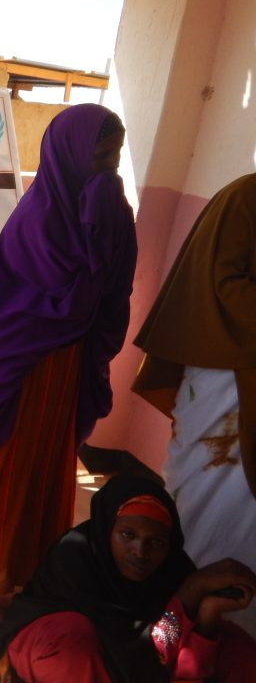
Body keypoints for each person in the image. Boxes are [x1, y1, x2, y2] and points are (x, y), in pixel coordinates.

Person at [0, 104, 138, 636]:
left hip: (63, 375)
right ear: (69, 156)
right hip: (18, 375)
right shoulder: (37, 222)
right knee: (0, 475)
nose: (108, 170)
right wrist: (101, 230)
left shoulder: (101, 214)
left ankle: (25, 577)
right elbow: (68, 302)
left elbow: (111, 291)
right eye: (100, 157)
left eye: (115, 158)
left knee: (42, 476)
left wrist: (109, 225)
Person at [0, 474, 256, 682]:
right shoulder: (75, 559)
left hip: (132, 663)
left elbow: (166, 653)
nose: (140, 551)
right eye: (128, 535)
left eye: (156, 542)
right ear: (108, 530)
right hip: (57, 652)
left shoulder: (173, 570)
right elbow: (141, 650)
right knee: (72, 641)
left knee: (235, 647)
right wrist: (190, 592)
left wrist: (208, 613)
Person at [132, 173, 256, 586]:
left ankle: (233, 608)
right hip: (225, 371)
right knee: (209, 483)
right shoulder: (245, 196)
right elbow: (221, 286)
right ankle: (183, 596)